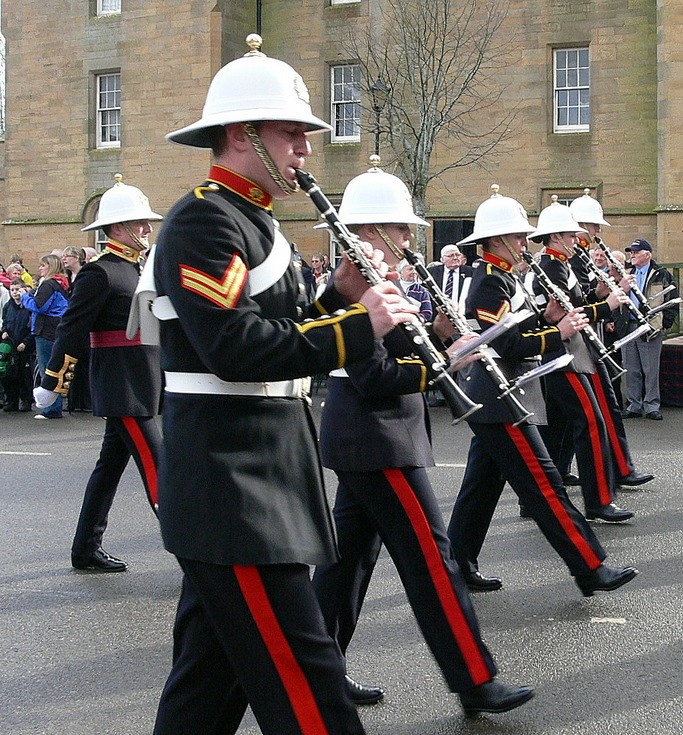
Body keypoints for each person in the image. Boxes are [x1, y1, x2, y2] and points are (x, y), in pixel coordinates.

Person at [151, 35, 422, 735]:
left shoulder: (250, 220)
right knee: (310, 693)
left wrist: (337, 297)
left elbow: (282, 331)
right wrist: (357, 326)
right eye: (292, 134)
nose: (304, 150)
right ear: (243, 136)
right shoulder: (205, 220)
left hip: (257, 478)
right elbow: (235, 348)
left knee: (203, 695)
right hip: (234, 486)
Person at [312, 163, 534, 717]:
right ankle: (474, 679)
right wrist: (444, 367)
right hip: (377, 438)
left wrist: (438, 339)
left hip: (372, 437)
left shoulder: (377, 283)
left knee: (346, 566)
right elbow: (376, 377)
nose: (411, 240)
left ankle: (321, 675)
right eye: (401, 229)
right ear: (368, 233)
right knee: (433, 561)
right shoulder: (354, 288)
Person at [446, 186, 639, 597]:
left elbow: (519, 329)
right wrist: (558, 331)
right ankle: (590, 567)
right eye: (517, 237)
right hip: (501, 398)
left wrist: (547, 318)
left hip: (506, 395)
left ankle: (457, 563)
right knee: (546, 486)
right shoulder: (488, 284)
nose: (523, 243)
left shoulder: (503, 279)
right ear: (496, 241)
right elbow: (507, 345)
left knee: (481, 487)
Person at [33, 175, 163, 572]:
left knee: (108, 470)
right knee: (161, 470)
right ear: (118, 228)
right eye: (140, 222)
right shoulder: (100, 273)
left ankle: (85, 548)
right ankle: (199, 561)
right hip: (123, 387)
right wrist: (54, 383)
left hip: (144, 381)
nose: (147, 228)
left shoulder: (141, 268)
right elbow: (72, 330)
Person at [528, 199, 634, 522]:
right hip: (563, 354)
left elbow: (578, 301)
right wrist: (608, 305)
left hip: (572, 351)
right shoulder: (550, 267)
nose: (578, 240)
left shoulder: (561, 264)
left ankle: (539, 495)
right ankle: (598, 500)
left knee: (561, 424)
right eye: (571, 236)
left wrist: (601, 292)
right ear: (556, 237)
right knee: (590, 422)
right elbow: (568, 314)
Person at [569, 192, 655, 487]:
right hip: (576, 344)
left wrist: (611, 288)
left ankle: (560, 472)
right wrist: (610, 299)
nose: (597, 233)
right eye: (594, 227)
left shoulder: (578, 257)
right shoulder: (573, 258)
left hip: (582, 342)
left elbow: (585, 296)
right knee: (598, 410)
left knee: (572, 416)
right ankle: (617, 470)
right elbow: (576, 305)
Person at [620, 238, 678, 420]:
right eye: (631, 252)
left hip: (651, 327)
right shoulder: (626, 273)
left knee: (650, 370)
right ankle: (633, 404)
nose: (633, 255)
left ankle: (652, 405)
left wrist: (665, 324)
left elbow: (672, 300)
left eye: (636, 252)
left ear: (647, 254)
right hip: (629, 326)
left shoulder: (662, 274)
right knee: (631, 370)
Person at [22, 254, 70, 419]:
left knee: (47, 369)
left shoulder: (49, 285)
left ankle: (51, 408)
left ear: (50, 266)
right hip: (56, 329)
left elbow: (38, 306)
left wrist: (25, 296)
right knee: (54, 367)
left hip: (46, 331)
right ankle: (53, 406)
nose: (40, 268)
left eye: (43, 265)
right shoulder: (60, 283)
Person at [1, 279, 35, 412]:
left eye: (17, 289)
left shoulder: (28, 307)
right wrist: (4, 332)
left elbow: (32, 327)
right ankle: (12, 400)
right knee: (9, 374)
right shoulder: (8, 306)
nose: (15, 293)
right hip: (11, 345)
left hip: (24, 345)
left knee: (24, 375)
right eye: (12, 290)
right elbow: (5, 323)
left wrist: (26, 342)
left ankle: (26, 400)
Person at [427, 243, 473, 314]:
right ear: (442, 259)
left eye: (458, 255)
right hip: (438, 315)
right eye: (451, 256)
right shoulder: (432, 272)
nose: (455, 258)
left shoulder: (471, 272)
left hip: (465, 315)